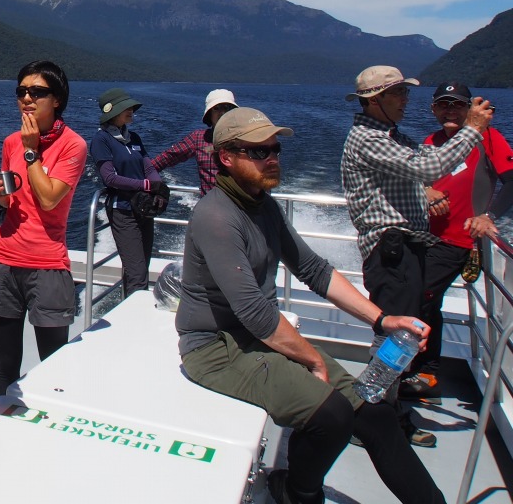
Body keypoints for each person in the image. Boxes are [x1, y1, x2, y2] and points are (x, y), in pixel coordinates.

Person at [179, 106, 445, 504]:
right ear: (226, 158)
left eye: (274, 149)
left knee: (375, 415)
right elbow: (253, 310)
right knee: (333, 417)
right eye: (258, 151)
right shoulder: (216, 216)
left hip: (260, 337)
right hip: (216, 348)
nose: (271, 158)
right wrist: (314, 361)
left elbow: (313, 269)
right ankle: (297, 492)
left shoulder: (263, 204)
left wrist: (383, 320)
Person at [340, 64, 493, 447]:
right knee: (395, 338)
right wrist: (472, 128)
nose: (407, 101)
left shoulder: (389, 137)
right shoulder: (366, 139)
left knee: (403, 336)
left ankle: (382, 413)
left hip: (406, 248)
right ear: (377, 100)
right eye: (400, 94)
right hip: (391, 251)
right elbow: (429, 164)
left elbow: (425, 160)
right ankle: (372, 419)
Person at [0, 60, 86, 396]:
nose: (27, 97)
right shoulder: (11, 141)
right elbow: (12, 201)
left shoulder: (73, 145)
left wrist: (30, 150)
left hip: (47, 267)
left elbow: (50, 198)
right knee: (6, 366)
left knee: (53, 370)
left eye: (37, 92)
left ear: (57, 99)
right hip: (4, 260)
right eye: (22, 91)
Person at [403, 82, 513, 398]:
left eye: (457, 105)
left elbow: (512, 180)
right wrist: (423, 190)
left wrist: (488, 216)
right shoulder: (431, 142)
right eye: (443, 104)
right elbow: (418, 181)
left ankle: (426, 371)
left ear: (469, 110)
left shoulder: (487, 138)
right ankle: (420, 368)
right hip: (424, 237)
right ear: (434, 109)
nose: (450, 110)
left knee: (421, 297)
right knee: (422, 299)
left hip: (458, 242)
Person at [89, 87, 164, 296]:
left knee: (140, 268)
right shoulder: (101, 140)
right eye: (126, 108)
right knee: (137, 273)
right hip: (123, 211)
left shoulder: (135, 138)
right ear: (112, 112)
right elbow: (110, 178)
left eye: (131, 107)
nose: (131, 110)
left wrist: (158, 187)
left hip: (143, 208)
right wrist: (146, 186)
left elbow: (148, 167)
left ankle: (128, 307)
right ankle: (135, 319)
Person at [152, 88, 237, 195]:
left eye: (227, 108)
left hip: (241, 207)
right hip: (211, 207)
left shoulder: (245, 139)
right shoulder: (199, 138)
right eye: (217, 108)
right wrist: (142, 174)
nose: (222, 113)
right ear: (209, 114)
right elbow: (168, 157)